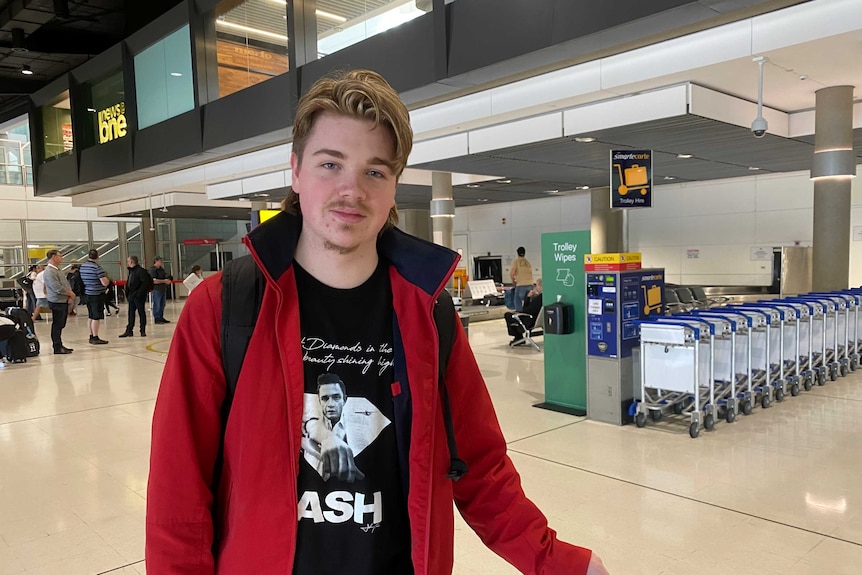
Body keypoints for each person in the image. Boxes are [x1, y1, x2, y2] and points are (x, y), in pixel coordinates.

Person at [146, 70, 609, 575]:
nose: (352, 190)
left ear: (393, 187)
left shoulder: (428, 313)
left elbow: (480, 466)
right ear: (296, 172)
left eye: (375, 171)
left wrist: (558, 563)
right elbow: (178, 489)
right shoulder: (225, 305)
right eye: (331, 164)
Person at [42, 250, 75, 354]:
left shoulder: (58, 270)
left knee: (61, 323)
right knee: (57, 324)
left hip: (63, 299)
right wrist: (69, 293)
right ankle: (57, 346)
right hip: (56, 301)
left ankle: (59, 344)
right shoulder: (49, 271)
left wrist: (70, 294)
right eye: (60, 256)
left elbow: (65, 283)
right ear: (53, 257)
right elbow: (56, 287)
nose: (62, 258)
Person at [79, 249, 110, 345]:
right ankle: (96, 337)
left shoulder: (83, 267)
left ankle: (91, 335)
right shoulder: (97, 268)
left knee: (91, 316)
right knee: (96, 317)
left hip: (88, 293)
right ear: (97, 256)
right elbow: (104, 282)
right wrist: (108, 280)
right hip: (97, 294)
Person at [119, 256, 151, 338]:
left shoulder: (141, 271)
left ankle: (142, 330)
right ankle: (129, 330)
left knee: (141, 312)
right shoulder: (131, 271)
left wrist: (139, 293)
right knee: (131, 313)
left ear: (132, 262)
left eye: (128, 261)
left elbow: (145, 283)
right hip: (131, 296)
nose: (127, 263)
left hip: (138, 296)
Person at [504, 278, 543, 344]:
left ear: (540, 286)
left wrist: (527, 298)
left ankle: (518, 337)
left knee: (508, 315)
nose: (535, 287)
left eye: (536, 285)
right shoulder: (545, 298)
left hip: (530, 320)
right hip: (538, 319)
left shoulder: (538, 299)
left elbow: (525, 310)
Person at [509, 247, 533, 312]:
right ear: (524, 253)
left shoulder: (516, 261)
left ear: (517, 253)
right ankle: (527, 312)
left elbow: (512, 273)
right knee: (528, 300)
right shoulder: (527, 262)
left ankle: (519, 314)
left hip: (521, 284)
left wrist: (513, 282)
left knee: (517, 300)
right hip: (530, 285)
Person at [149, 256, 171, 324]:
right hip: (156, 289)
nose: (161, 262)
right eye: (160, 261)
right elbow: (154, 281)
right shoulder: (153, 270)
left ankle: (161, 317)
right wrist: (164, 281)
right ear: (156, 261)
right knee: (157, 304)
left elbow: (165, 275)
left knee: (162, 304)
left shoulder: (161, 269)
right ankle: (157, 318)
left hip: (162, 289)